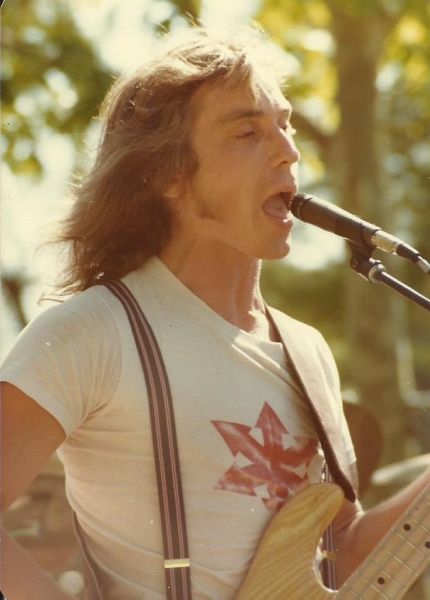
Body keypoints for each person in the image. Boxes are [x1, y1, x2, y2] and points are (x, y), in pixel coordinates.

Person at [1, 25, 429, 600]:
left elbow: (344, 553)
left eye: (285, 124)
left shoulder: (308, 352)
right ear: (167, 173)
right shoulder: (93, 332)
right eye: (248, 131)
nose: (288, 150)